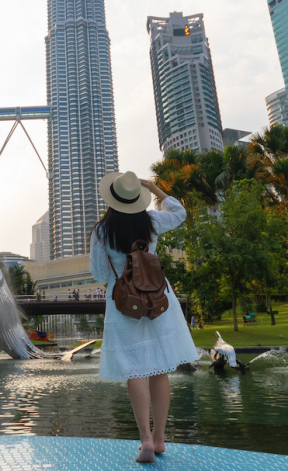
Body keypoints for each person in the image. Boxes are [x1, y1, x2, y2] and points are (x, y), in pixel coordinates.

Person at [89, 171, 197, 464]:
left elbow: (99, 272)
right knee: (159, 369)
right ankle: (160, 439)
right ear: (138, 196)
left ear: (111, 199)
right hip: (158, 299)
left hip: (123, 302)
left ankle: (145, 440)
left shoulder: (102, 230)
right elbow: (179, 213)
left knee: (135, 370)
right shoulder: (150, 221)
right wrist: (157, 189)